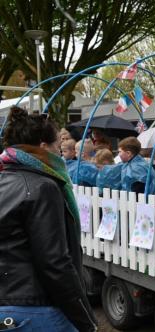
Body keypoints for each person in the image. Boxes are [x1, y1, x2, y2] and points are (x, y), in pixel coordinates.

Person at [0, 107, 98, 331]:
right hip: (35, 308)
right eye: (57, 146)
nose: (61, 153)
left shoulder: (5, 178)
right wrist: (86, 320)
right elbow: (54, 263)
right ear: (43, 147)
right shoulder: (44, 186)